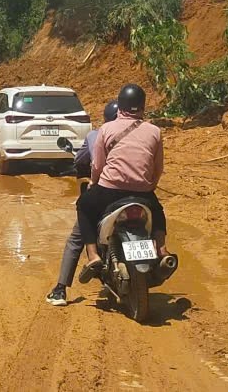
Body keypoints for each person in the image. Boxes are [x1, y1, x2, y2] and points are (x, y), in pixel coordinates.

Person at [76, 83, 167, 283]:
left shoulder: (106, 129)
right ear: (143, 107)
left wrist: (94, 182)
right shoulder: (155, 131)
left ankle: (93, 256)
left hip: (110, 190)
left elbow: (98, 165)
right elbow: (158, 167)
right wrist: (149, 187)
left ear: (121, 105)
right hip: (142, 193)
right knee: (158, 213)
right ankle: (161, 250)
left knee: (83, 206)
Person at [45, 100, 117, 307]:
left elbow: (81, 161)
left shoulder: (97, 135)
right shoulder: (144, 133)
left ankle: (60, 290)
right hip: (136, 193)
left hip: (103, 192)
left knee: (77, 237)